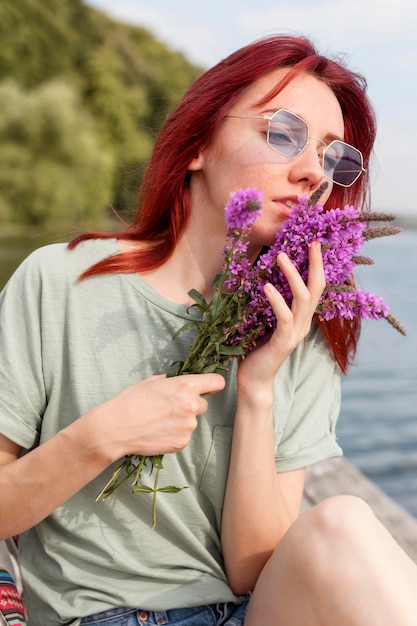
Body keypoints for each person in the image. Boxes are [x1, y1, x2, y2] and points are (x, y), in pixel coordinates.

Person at [0, 33, 416, 626]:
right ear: (197, 143)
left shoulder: (301, 328)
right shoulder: (59, 282)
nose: (309, 173)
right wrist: (100, 436)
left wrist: (258, 388)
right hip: (100, 616)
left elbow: (254, 571)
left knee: (342, 520)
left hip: (249, 612)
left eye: (332, 157)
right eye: (283, 133)